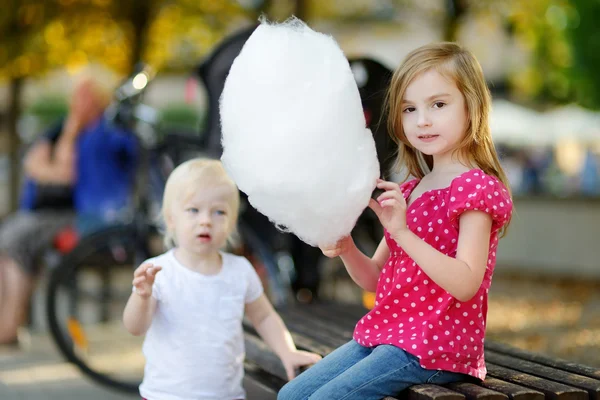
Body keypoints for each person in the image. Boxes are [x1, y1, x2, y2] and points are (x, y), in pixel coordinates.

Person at [278, 42, 514, 400]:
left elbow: (466, 283)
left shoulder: (475, 188)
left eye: (438, 104)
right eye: (409, 108)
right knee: (290, 396)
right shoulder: (411, 190)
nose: (422, 120)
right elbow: (375, 280)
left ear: (472, 105)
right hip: (389, 334)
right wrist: (347, 248)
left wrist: (402, 231)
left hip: (436, 347)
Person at [122, 158, 321, 400]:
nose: (206, 220)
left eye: (219, 212)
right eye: (193, 210)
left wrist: (287, 351)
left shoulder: (239, 271)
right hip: (166, 395)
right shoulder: (158, 271)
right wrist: (141, 296)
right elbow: (135, 327)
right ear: (171, 219)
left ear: (231, 224)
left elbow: (265, 316)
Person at [0, 76, 138, 345]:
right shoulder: (61, 128)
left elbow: (65, 174)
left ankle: (10, 325)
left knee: (14, 242)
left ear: (100, 99)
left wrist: (70, 132)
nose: (79, 102)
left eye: (86, 96)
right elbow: (33, 165)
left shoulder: (101, 133)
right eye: (77, 96)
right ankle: (9, 323)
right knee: (10, 244)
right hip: (45, 213)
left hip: (74, 216)